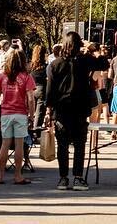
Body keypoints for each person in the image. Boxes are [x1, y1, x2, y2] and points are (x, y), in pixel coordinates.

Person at [43, 30, 94, 191]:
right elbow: (103, 63)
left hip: (61, 109)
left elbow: (50, 90)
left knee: (62, 145)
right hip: (80, 108)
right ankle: (78, 177)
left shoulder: (55, 64)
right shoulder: (85, 61)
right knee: (79, 144)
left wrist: (48, 111)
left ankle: (63, 178)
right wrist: (90, 48)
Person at [0, 45, 34, 186]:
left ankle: (0, 175)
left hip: (5, 113)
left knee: (5, 143)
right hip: (20, 113)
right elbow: (31, 98)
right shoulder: (26, 77)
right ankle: (17, 175)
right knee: (19, 145)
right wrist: (31, 115)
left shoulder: (2, 77)